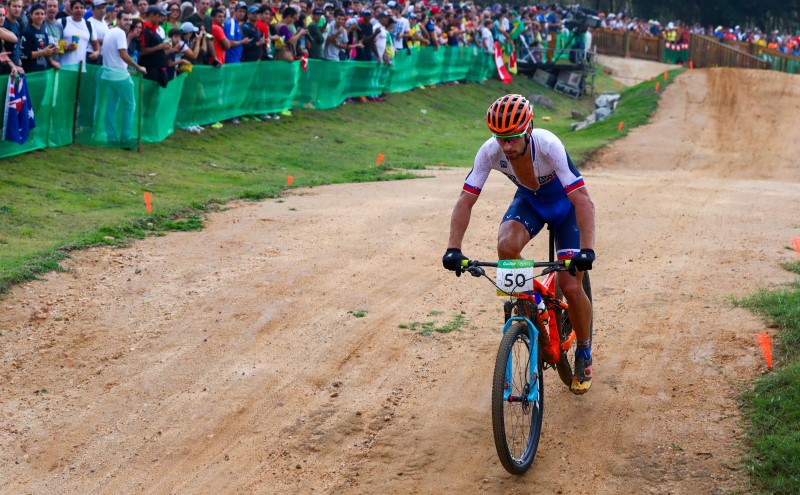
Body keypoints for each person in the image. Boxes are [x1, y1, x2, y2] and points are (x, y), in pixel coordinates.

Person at [442, 94, 596, 394]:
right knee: (505, 245)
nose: (506, 147)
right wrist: (453, 248)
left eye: (512, 138)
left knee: (571, 284)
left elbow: (583, 200)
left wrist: (587, 249)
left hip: (566, 209)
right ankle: (528, 306)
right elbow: (466, 199)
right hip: (530, 202)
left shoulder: (549, 145)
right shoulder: (490, 151)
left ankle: (584, 349)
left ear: (528, 130)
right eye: (500, 139)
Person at [100, 10, 145, 144]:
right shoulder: (119, 33)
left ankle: (111, 137)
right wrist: (138, 67)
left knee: (111, 107)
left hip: (108, 74)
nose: (128, 22)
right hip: (119, 75)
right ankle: (125, 138)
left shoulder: (111, 31)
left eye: (130, 20)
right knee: (130, 105)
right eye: (125, 20)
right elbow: (123, 54)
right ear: (118, 20)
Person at [20, 3, 61, 72]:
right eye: (37, 14)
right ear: (31, 15)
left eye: (42, 14)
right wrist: (43, 52)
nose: (40, 16)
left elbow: (46, 48)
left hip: (43, 71)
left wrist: (53, 51)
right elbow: (24, 55)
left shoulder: (44, 29)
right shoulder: (27, 31)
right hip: (31, 72)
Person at [59, 0, 99, 67]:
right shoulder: (62, 22)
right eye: (76, 8)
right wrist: (67, 47)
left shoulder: (89, 25)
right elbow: (54, 44)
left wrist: (97, 53)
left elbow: (95, 44)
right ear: (71, 10)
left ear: (84, 10)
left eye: (81, 8)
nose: (79, 10)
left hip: (81, 69)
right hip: (63, 68)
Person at [139, 5, 169, 86]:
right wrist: (159, 47)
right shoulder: (144, 29)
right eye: (158, 16)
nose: (160, 19)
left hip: (159, 69)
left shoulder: (154, 29)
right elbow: (142, 51)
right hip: (150, 69)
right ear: (152, 15)